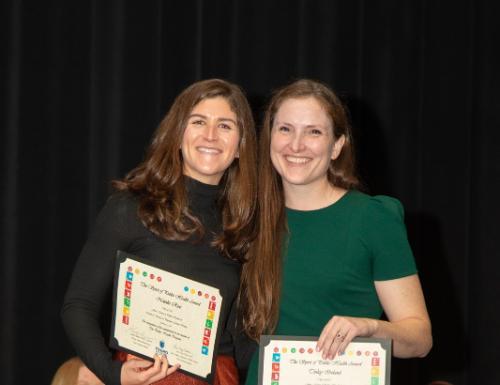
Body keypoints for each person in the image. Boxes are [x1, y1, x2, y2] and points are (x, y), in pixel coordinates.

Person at [61, 79, 257, 385]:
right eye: (198, 122)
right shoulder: (132, 209)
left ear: (241, 146)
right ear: (178, 135)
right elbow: (78, 306)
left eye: (225, 126)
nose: (210, 135)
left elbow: (244, 343)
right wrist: (112, 373)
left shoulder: (246, 227)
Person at [240, 79, 433, 384]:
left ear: (337, 146)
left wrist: (369, 328)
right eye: (285, 129)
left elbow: (420, 340)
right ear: (269, 137)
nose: (296, 145)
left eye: (313, 132)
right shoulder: (247, 217)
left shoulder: (373, 219)